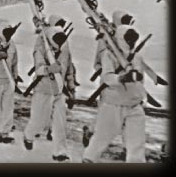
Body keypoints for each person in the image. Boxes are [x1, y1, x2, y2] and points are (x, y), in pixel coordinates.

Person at [82, 25, 147, 163]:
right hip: (113, 104)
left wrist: (142, 96)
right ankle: (88, 160)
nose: (131, 42)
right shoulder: (109, 55)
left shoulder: (137, 57)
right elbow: (107, 77)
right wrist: (121, 78)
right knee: (101, 138)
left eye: (133, 39)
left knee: (136, 142)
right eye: (128, 39)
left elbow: (141, 80)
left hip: (134, 104)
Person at [23, 25, 75, 162]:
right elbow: (38, 69)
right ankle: (28, 135)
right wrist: (49, 69)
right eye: (57, 39)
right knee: (39, 122)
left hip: (59, 91)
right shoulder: (41, 49)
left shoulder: (65, 51)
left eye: (61, 39)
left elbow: (69, 70)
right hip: (43, 90)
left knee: (60, 123)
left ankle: (60, 152)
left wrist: (71, 89)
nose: (59, 41)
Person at [83, 10, 134, 147]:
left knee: (128, 114)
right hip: (109, 83)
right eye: (124, 20)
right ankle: (90, 131)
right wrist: (106, 73)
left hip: (126, 82)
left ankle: (128, 146)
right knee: (105, 117)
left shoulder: (128, 36)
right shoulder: (105, 39)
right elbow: (98, 62)